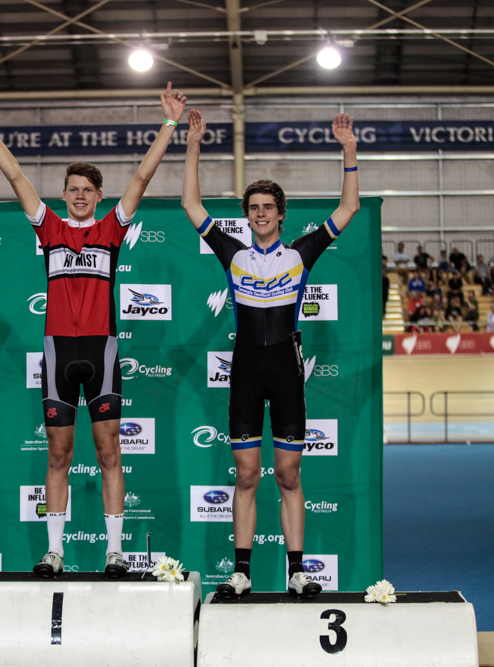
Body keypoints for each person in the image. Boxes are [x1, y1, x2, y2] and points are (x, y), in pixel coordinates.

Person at [0, 81, 186, 578]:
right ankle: (55, 552)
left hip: (102, 352)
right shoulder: (49, 228)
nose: (81, 196)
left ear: (99, 197)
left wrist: (170, 123)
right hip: (58, 353)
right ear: (64, 195)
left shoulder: (113, 228)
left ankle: (114, 552)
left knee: (110, 451)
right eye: (73, 190)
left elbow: (143, 176)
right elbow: (16, 175)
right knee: (58, 454)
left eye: (89, 191)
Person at [182, 108, 359, 599]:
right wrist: (193, 141)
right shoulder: (232, 253)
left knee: (287, 473)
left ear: (281, 214)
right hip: (245, 371)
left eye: (268, 207)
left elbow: (346, 211)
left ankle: (297, 572)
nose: (260, 213)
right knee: (244, 474)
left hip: (284, 369)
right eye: (253, 207)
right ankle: (241, 571)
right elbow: (191, 204)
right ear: (246, 214)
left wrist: (348, 152)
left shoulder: (300, 252)